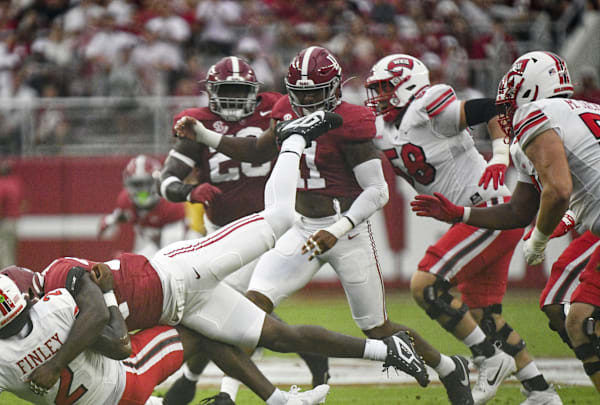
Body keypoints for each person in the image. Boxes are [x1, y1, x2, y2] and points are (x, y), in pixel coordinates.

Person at [24, 111, 430, 399]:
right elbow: (117, 345)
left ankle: (294, 137)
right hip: (180, 309)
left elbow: (98, 318)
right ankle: (388, 350)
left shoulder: (60, 277)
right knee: (278, 336)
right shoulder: (55, 324)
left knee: (280, 219)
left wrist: (56, 361)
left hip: (182, 272)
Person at [174, 46, 464, 404]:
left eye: (315, 94)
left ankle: (450, 367)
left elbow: (377, 191)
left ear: (335, 88)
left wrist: (338, 229)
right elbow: (257, 151)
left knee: (377, 327)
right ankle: (230, 396)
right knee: (248, 311)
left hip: (347, 231)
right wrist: (203, 135)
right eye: (301, 95)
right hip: (302, 228)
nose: (308, 102)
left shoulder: (350, 122)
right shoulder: (284, 111)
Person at [365, 53, 561, 405]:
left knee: (426, 285)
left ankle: (488, 357)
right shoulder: (384, 130)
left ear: (407, 84)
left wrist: (500, 156)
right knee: (482, 314)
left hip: (487, 212)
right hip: (473, 216)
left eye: (384, 88)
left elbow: (490, 108)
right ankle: (540, 391)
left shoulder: (428, 105)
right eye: (375, 89)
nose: (378, 96)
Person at [410, 51, 600, 394]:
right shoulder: (585, 112)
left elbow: (557, 191)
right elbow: (519, 212)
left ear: (531, 91)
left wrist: (539, 240)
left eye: (513, 98)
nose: (508, 109)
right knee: (580, 318)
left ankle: (502, 365)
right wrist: (461, 214)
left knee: (580, 320)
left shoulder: (534, 114)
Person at [159, 55, 329, 401]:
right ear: (211, 92)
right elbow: (166, 182)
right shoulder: (197, 124)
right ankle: (309, 349)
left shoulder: (273, 108)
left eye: (241, 90)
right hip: (221, 233)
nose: (235, 98)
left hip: (273, 227)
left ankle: (217, 389)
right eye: (227, 90)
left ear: (255, 91)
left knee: (229, 308)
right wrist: (190, 191)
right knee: (232, 310)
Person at [0, 270, 330, 405]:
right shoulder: (56, 306)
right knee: (203, 328)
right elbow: (118, 343)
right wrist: (106, 296)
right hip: (128, 378)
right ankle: (278, 401)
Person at [99, 154, 186, 258]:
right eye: (137, 184)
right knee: (135, 262)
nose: (143, 191)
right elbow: (106, 227)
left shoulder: (170, 203)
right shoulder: (125, 200)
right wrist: (112, 220)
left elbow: (170, 252)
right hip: (147, 238)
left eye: (148, 183)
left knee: (167, 258)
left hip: (178, 238)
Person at [0, 160, 27, 269]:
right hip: (13, 222)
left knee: (3, 260)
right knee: (10, 257)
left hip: (2, 222)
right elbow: (23, 205)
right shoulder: (16, 183)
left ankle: (8, 284)